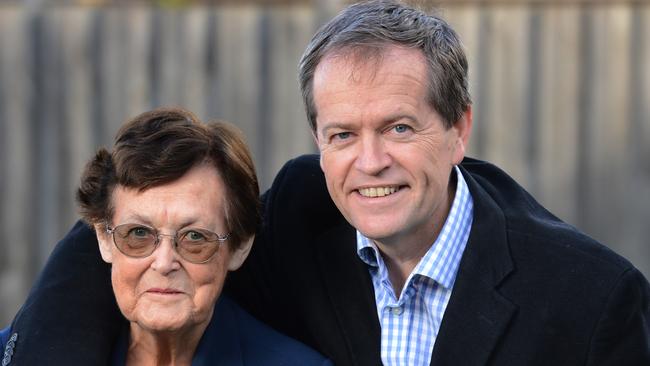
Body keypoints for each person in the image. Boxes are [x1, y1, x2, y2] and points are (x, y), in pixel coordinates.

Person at [7, 1, 650, 365]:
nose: (369, 163)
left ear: (459, 130)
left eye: (399, 128)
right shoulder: (300, 212)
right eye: (342, 134)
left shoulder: (592, 300)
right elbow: (150, 233)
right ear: (318, 140)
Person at [1, 108, 332, 365]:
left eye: (194, 238)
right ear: (103, 238)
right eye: (138, 234)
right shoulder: (16, 354)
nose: (163, 263)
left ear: (239, 247)